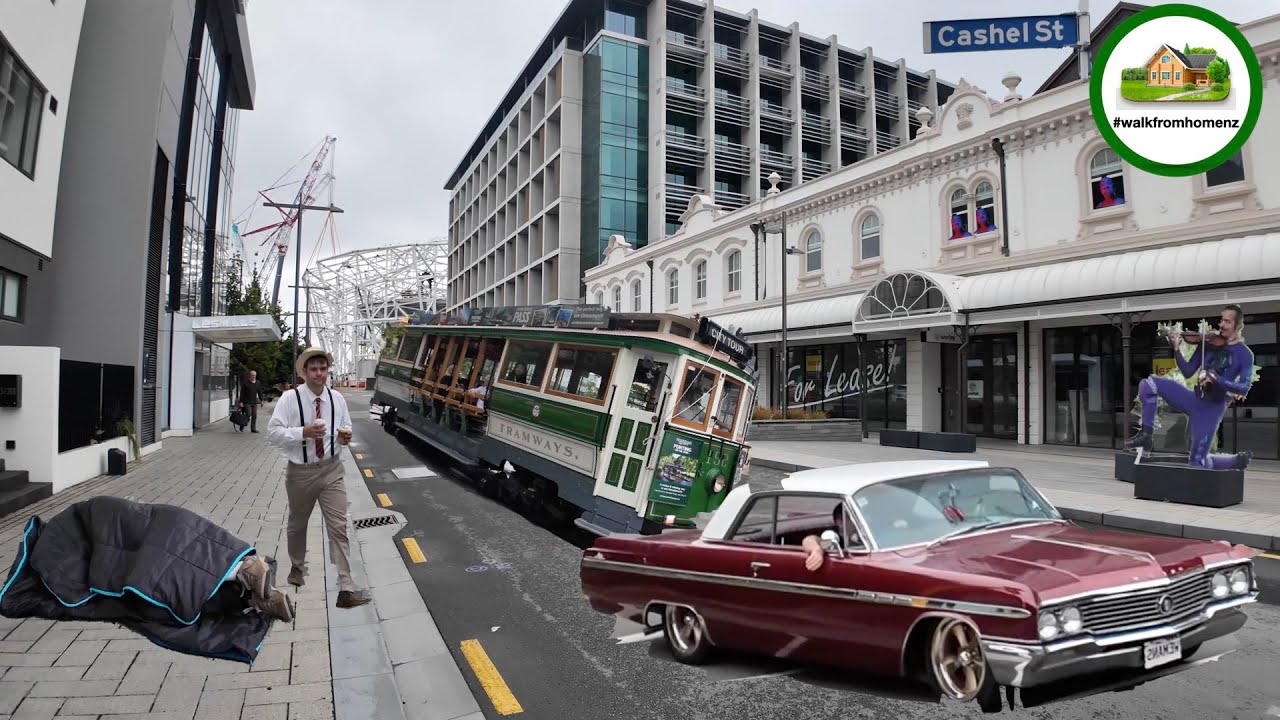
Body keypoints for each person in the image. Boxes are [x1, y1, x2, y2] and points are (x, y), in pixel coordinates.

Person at [1, 496, 292, 665]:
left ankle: (242, 577)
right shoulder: (56, 546)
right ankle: (244, 586)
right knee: (158, 578)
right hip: (136, 529)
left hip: (121, 531)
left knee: (159, 573)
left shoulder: (65, 533)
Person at [266, 347, 371, 608]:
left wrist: (344, 437)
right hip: (300, 472)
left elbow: (345, 428)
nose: (319, 374)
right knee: (297, 524)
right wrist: (303, 431)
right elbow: (273, 433)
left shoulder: (337, 399)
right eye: (313, 369)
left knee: (338, 527)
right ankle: (297, 567)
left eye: (323, 369)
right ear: (303, 373)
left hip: (332, 469)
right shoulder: (290, 399)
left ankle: (346, 587)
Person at [1125, 304, 1255, 470]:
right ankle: (1146, 435)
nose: (1222, 324)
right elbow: (1187, 371)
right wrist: (1176, 348)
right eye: (1222, 320)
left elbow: (1244, 387)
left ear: (1238, 326)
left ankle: (1233, 462)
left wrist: (1216, 379)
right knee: (1149, 384)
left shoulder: (1244, 354)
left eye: (1227, 322)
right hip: (1193, 398)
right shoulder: (1207, 343)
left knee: (1197, 462)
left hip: (1211, 410)